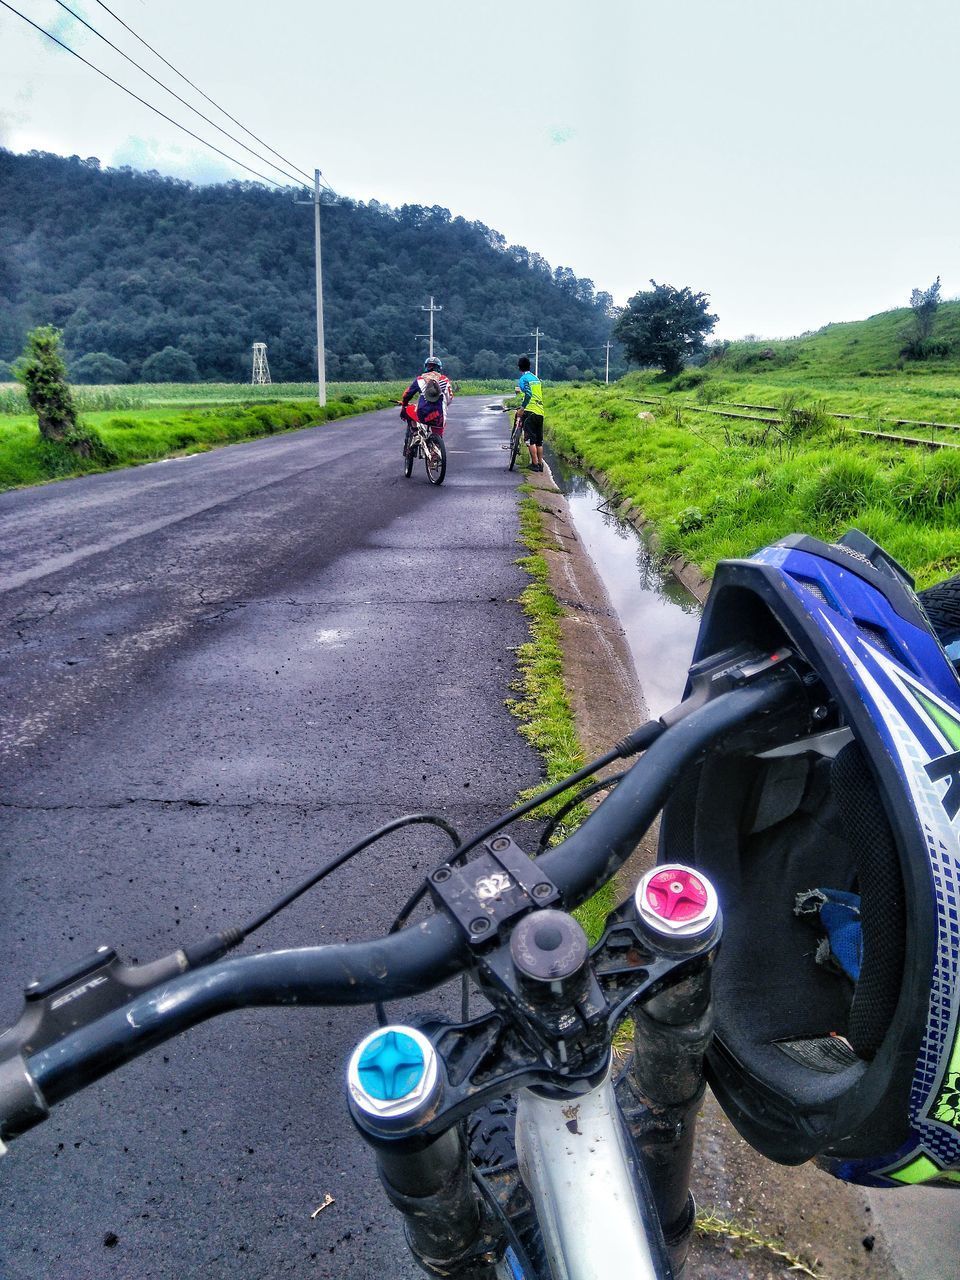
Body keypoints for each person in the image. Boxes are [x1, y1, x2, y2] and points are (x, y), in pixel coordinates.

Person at [400, 356, 454, 455]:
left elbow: (406, 395)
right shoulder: (445, 380)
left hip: (423, 415)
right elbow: (450, 398)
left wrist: (404, 405)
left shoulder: (420, 380)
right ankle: (435, 454)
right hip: (439, 416)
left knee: (409, 409)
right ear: (439, 368)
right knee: (437, 434)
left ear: (426, 367)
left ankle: (416, 433)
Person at [515, 355, 545, 472]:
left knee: (530, 440)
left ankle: (534, 464)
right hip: (540, 411)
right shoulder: (536, 378)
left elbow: (528, 394)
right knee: (539, 441)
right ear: (529, 366)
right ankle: (541, 464)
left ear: (519, 368)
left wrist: (523, 408)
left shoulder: (524, 379)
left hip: (530, 411)